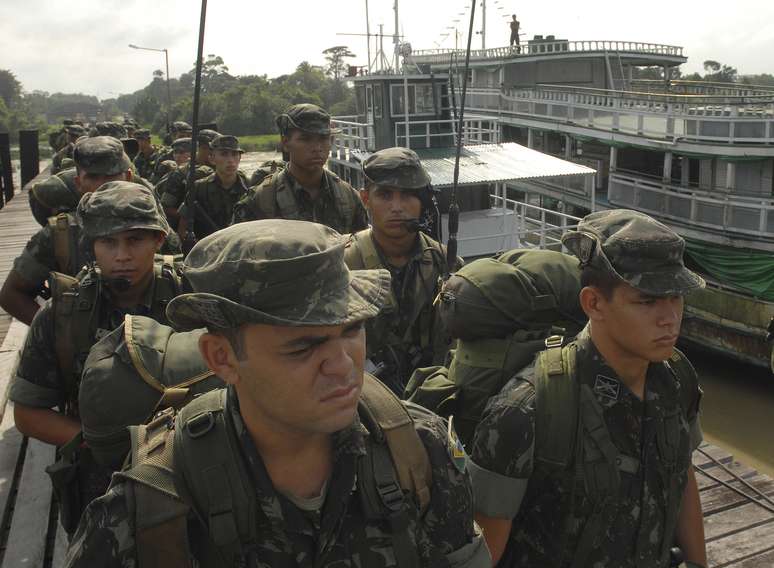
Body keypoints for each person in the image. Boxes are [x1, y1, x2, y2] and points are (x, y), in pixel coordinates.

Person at [64, 219, 490, 568]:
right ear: (223, 358)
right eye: (303, 347)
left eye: (352, 330)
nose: (342, 364)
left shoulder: (418, 447)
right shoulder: (154, 502)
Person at [470, 209, 708, 568]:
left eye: (675, 297)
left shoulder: (676, 379)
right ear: (594, 303)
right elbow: (485, 551)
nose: (669, 318)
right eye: (647, 300)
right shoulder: (527, 410)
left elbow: (682, 477)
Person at [10, 181, 182, 532]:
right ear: (91, 247)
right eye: (108, 242)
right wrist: (96, 442)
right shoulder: (62, 315)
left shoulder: (189, 300)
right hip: (103, 479)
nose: (122, 256)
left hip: (186, 465)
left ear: (158, 240)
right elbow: (28, 413)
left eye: (135, 240)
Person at [344, 147, 459, 395]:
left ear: (422, 201)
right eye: (384, 195)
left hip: (432, 393)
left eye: (407, 195)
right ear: (365, 199)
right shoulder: (343, 262)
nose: (396, 207)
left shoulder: (444, 261)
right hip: (363, 399)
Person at [0, 136, 137, 324]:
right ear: (79, 183)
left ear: (128, 178)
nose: (104, 185)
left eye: (112, 176)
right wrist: (57, 333)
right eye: (93, 177)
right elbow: (11, 294)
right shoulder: (60, 234)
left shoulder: (153, 227)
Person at [232, 103, 368, 234]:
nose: (317, 148)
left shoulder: (348, 197)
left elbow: (359, 251)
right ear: (285, 143)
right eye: (306, 139)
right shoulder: (261, 200)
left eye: (323, 138)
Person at [177, 134, 250, 241]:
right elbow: (182, 228)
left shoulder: (250, 187)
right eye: (224, 154)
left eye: (234, 154)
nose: (230, 160)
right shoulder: (199, 188)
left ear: (240, 158)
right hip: (208, 248)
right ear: (212, 158)